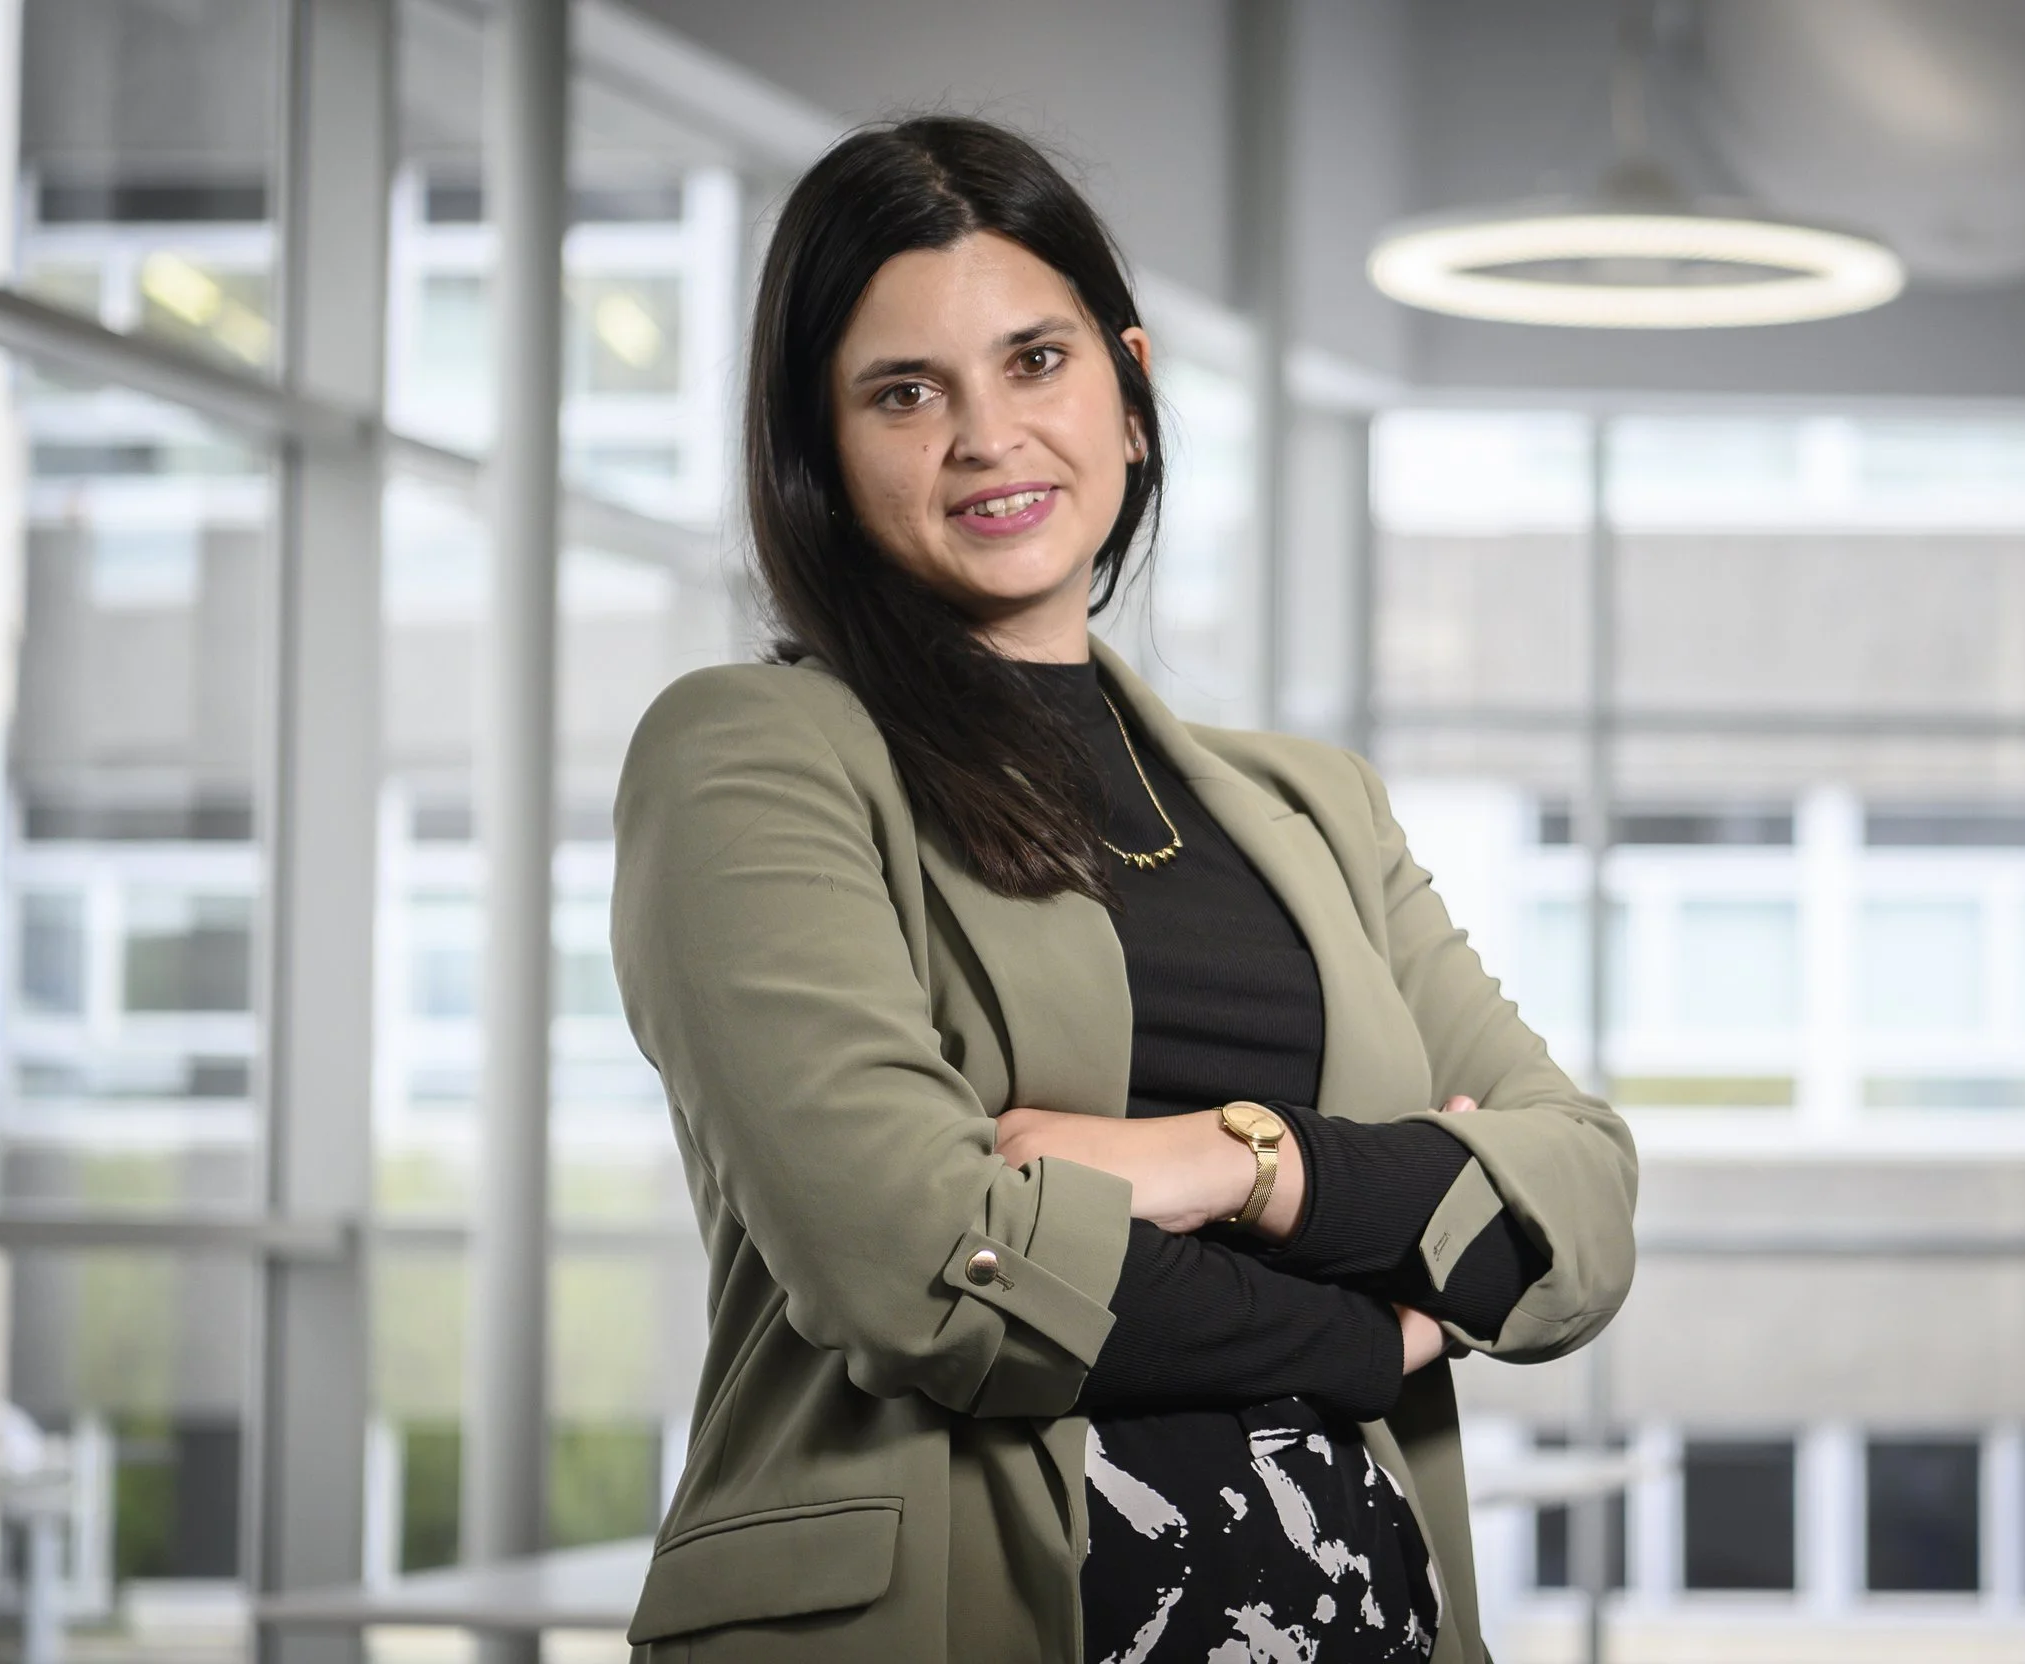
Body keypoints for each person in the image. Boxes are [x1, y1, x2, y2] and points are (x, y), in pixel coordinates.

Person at [610, 114, 1637, 1664]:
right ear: (821, 449)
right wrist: (1375, 1327)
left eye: (1037, 362)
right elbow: (913, 1263)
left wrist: (1231, 1162)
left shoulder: (1314, 808)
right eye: (906, 393)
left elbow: (1576, 1208)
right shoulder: (752, 756)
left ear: (1133, 394)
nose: (988, 436)